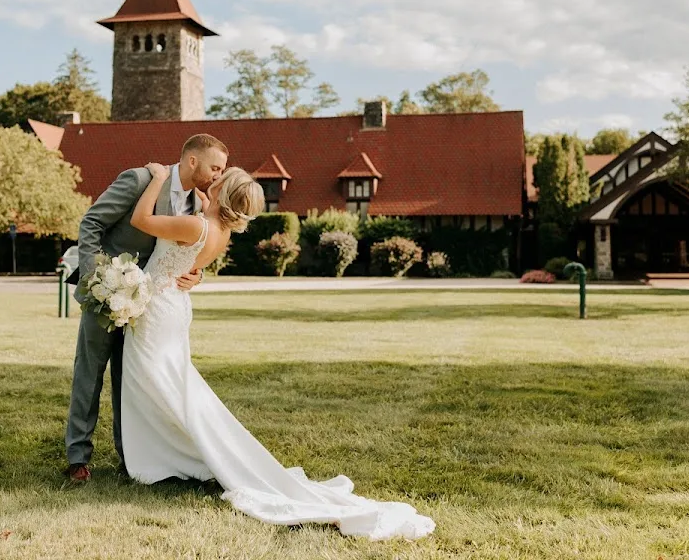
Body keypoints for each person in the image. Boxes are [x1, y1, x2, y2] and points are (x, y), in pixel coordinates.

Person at [119, 162, 435, 541]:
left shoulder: (196, 225)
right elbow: (196, 236)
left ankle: (171, 457)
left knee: (160, 385)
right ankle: (178, 454)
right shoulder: (218, 231)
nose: (211, 182)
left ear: (222, 193)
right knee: (171, 386)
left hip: (159, 312)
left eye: (217, 181)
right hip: (172, 309)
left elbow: (141, 219)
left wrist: (156, 179)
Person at [64, 134, 228, 483]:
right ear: (192, 161)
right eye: (214, 167)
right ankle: (78, 455)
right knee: (89, 373)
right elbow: (91, 223)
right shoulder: (140, 180)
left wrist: (194, 273)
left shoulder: (198, 205)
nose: (217, 175)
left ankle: (131, 457)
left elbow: (183, 251)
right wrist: (97, 281)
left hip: (150, 308)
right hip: (107, 292)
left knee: (132, 380)